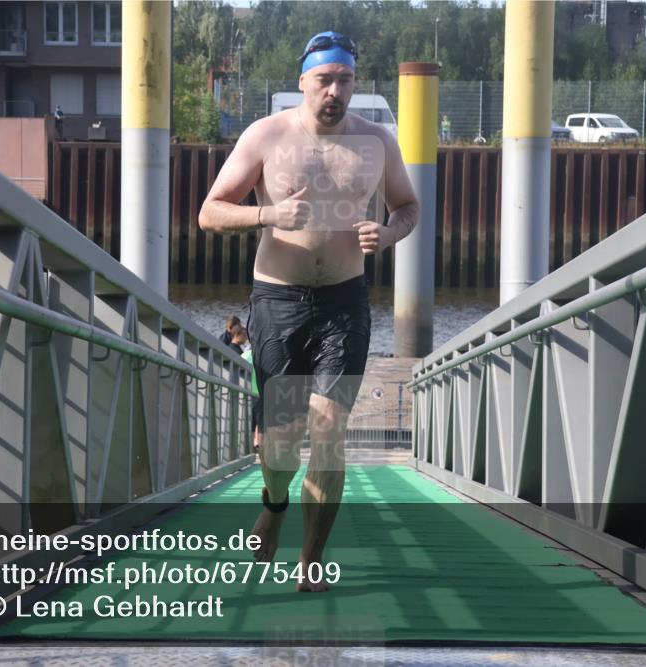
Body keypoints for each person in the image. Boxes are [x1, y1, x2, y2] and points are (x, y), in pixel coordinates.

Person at [198, 30, 419, 592]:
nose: (335, 91)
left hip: (344, 303)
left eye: (345, 79)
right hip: (278, 302)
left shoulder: (376, 143)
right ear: (303, 81)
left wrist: (389, 232)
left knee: (327, 428)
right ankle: (274, 505)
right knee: (278, 444)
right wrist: (267, 218)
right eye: (324, 79)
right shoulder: (266, 136)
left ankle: (311, 560)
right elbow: (210, 213)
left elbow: (408, 205)